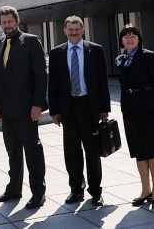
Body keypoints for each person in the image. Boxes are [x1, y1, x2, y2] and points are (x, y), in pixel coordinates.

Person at [0, 6, 48, 209]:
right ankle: (14, 189)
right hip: (6, 110)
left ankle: (38, 192)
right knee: (13, 152)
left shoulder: (31, 41)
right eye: (4, 22)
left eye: (10, 21)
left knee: (32, 151)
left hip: (27, 109)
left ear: (17, 21)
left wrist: (37, 104)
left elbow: (40, 75)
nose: (7, 25)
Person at [48, 16, 110, 208]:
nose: (74, 32)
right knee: (72, 152)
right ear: (64, 31)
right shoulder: (56, 53)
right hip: (68, 108)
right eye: (70, 29)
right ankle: (76, 189)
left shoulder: (95, 50)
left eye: (77, 29)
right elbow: (53, 84)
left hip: (89, 107)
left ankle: (96, 191)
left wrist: (104, 108)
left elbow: (102, 80)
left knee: (92, 152)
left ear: (83, 30)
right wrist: (54, 110)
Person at [117, 24, 154, 209]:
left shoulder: (148, 56)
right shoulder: (122, 59)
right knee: (139, 150)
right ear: (121, 41)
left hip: (148, 108)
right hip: (130, 109)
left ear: (139, 39)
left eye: (133, 36)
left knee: (153, 148)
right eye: (126, 37)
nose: (129, 39)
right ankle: (145, 189)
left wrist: (150, 99)